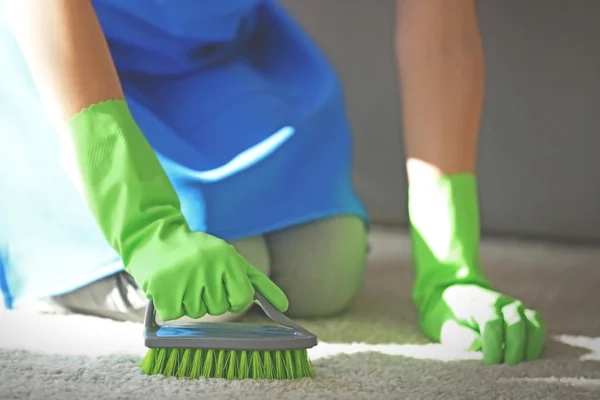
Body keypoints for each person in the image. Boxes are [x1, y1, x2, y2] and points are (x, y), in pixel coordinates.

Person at [0, 0, 545, 365]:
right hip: (67, 67)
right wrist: (145, 227)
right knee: (218, 283)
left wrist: (451, 271)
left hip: (217, 59)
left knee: (327, 264)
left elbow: (440, 29)